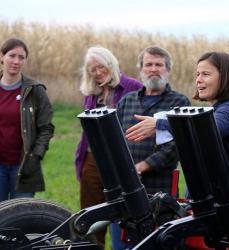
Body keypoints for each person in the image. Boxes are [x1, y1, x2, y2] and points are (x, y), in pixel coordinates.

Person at [125, 51, 229, 186]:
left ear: (225, 77)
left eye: (205, 74)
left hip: (218, 202)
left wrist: (160, 124)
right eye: (197, 74)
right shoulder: (215, 110)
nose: (198, 80)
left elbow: (206, 131)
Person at [74, 46, 142, 249]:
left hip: (119, 158)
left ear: (110, 64)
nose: (98, 72)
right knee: (91, 212)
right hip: (92, 158)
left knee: (122, 211)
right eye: (92, 70)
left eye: (101, 67)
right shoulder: (92, 93)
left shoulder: (133, 87)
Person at [117, 46, 191, 194]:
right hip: (126, 184)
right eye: (148, 65)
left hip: (161, 185)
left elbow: (177, 145)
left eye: (159, 65)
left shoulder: (179, 103)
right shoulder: (127, 101)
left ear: (167, 69)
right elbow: (116, 139)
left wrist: (141, 167)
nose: (153, 69)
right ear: (141, 69)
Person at [0, 38, 54, 201]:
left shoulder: (35, 90)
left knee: (21, 218)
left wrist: (36, 155)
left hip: (24, 166)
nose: (16, 61)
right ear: (2, 56)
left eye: (21, 57)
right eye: (12, 56)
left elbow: (46, 128)